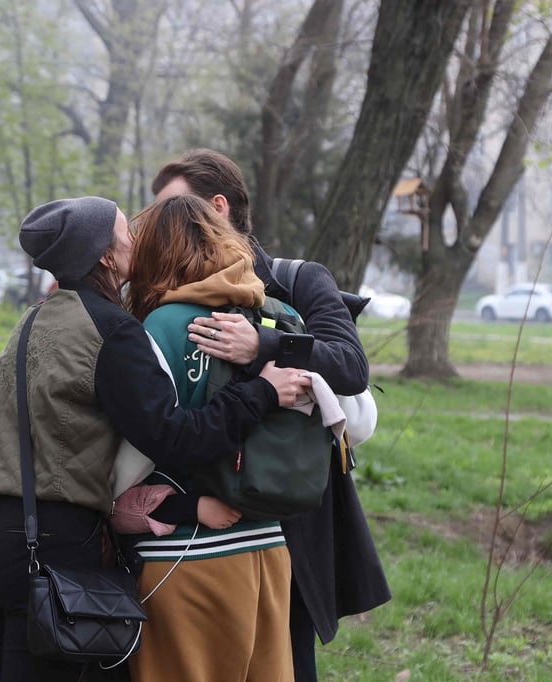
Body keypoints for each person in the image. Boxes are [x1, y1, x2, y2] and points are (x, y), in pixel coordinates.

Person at [0, 196, 311, 682]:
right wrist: (263, 392)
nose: (136, 240)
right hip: (45, 547)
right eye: (127, 232)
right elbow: (176, 438)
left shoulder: (35, 318)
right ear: (105, 255)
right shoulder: (113, 331)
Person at [152, 148, 392, 682]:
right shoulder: (165, 296)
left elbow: (351, 367)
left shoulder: (297, 280)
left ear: (218, 207)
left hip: (290, 522)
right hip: (196, 535)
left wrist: (263, 344)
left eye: (172, 210)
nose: (159, 227)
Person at [123, 194, 304, 682]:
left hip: (184, 553)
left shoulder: (160, 325)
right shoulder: (282, 318)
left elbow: (135, 454)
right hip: (268, 545)